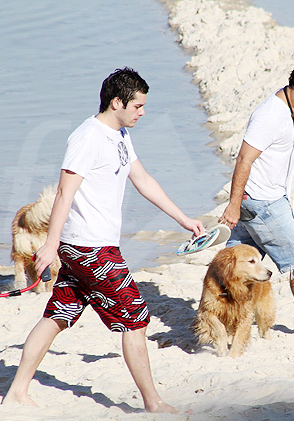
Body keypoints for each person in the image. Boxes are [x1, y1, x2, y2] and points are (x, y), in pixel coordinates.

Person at [2, 67, 204, 413]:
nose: (142, 112)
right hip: (92, 249)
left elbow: (142, 178)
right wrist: (50, 245)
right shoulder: (87, 138)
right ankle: (153, 403)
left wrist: (183, 219)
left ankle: (17, 391)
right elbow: (65, 192)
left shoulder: (120, 134)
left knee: (57, 315)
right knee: (137, 320)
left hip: (88, 247)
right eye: (137, 106)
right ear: (116, 102)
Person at [218, 56, 294, 336]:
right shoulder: (270, 115)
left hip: (263, 201)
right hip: (263, 204)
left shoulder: (292, 107)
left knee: (231, 265)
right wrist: (234, 205)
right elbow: (244, 160)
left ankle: (220, 323)